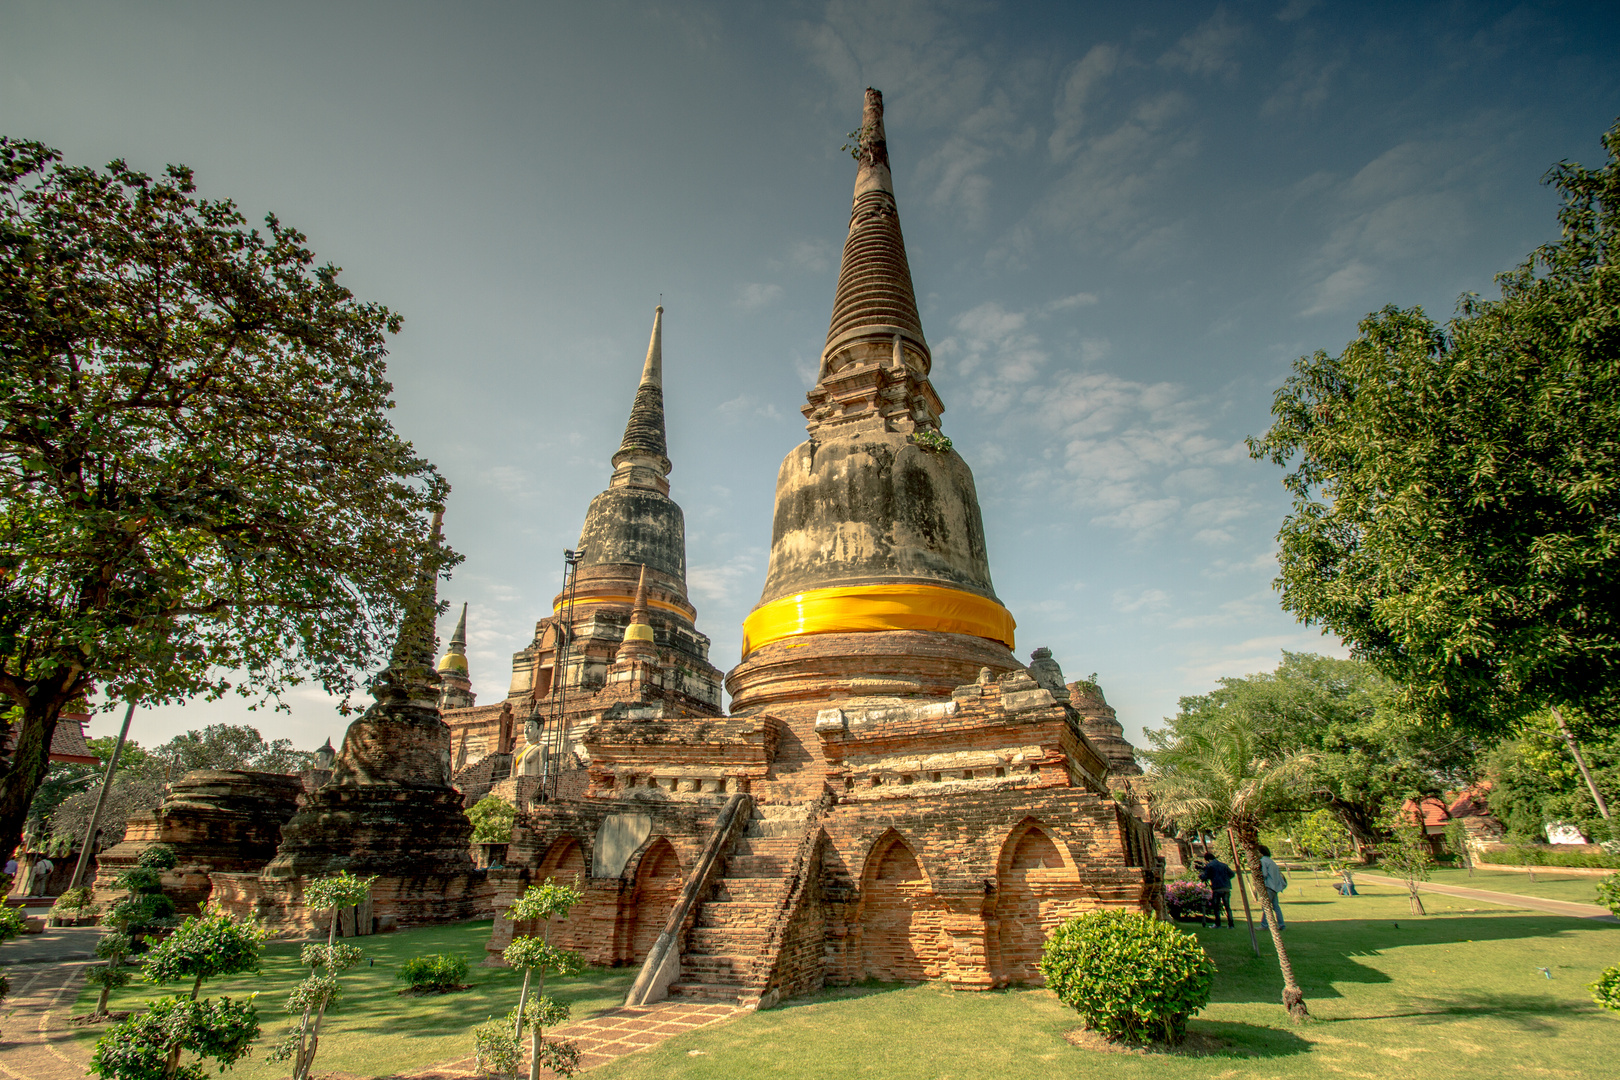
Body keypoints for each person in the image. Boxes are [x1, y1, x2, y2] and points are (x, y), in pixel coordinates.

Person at [1198, 854, 1236, 928]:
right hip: (1226, 888)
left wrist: (1201, 875)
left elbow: (1206, 877)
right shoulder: (1224, 865)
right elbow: (1232, 874)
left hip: (1217, 888)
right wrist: (1225, 879)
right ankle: (1231, 925)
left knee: (1216, 907)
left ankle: (1218, 924)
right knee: (1227, 907)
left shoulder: (1209, 866)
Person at [1258, 845, 1288, 930]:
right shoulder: (1272, 862)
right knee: (1276, 907)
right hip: (1275, 887)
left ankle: (1264, 925)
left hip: (1269, 886)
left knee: (1266, 906)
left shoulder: (1263, 861)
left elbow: (1264, 874)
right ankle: (1282, 925)